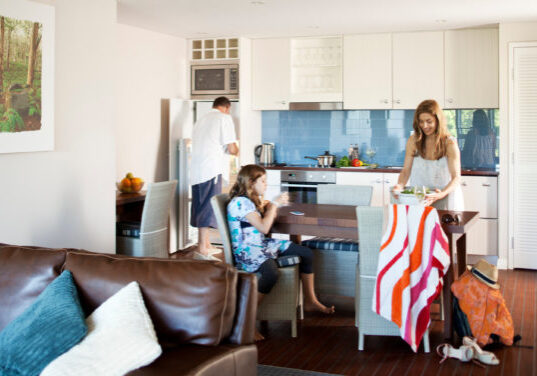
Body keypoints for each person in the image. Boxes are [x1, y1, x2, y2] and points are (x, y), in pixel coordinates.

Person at [227, 164, 334, 340]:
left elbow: (262, 229)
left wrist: (268, 206)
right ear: (251, 183)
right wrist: (274, 205)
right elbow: (264, 227)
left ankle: (310, 301)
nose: (266, 185)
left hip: (261, 245)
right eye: (263, 181)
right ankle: (247, 322)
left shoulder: (249, 201)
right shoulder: (240, 202)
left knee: (306, 253)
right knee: (270, 273)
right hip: (247, 250)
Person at [393, 99, 464, 211]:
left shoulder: (449, 143)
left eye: (429, 121)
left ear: (437, 120)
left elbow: (456, 177)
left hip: (444, 197)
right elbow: (406, 171)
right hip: (419, 199)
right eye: (421, 121)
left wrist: (441, 194)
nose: (424, 126)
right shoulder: (414, 141)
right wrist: (400, 186)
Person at [191, 97, 239, 260]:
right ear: (227, 107)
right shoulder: (224, 118)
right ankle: (203, 248)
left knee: (200, 204)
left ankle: (204, 244)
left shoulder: (201, 119)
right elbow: (232, 148)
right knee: (208, 206)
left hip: (197, 169)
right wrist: (237, 150)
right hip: (211, 169)